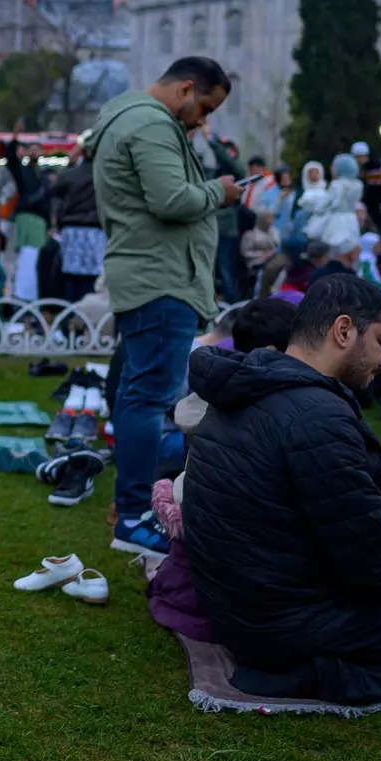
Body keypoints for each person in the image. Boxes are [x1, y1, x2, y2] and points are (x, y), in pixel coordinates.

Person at [184, 275, 381, 704]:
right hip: (280, 627)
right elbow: (369, 563)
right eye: (380, 340)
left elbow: (316, 491)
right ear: (343, 331)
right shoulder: (316, 413)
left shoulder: (255, 382)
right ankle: (313, 678)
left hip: (238, 611)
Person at [91, 56, 241, 557]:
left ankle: (130, 510)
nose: (202, 120)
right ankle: (133, 518)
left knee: (136, 393)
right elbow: (171, 200)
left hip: (151, 276)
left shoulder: (130, 118)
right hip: (161, 281)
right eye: (205, 106)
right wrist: (219, 192)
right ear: (186, 88)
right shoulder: (151, 124)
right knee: (147, 399)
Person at [50, 139, 103, 301]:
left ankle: (70, 319)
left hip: (72, 231)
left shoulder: (69, 175)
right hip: (96, 232)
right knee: (92, 280)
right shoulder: (104, 176)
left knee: (71, 279)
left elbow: (56, 194)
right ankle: (87, 320)